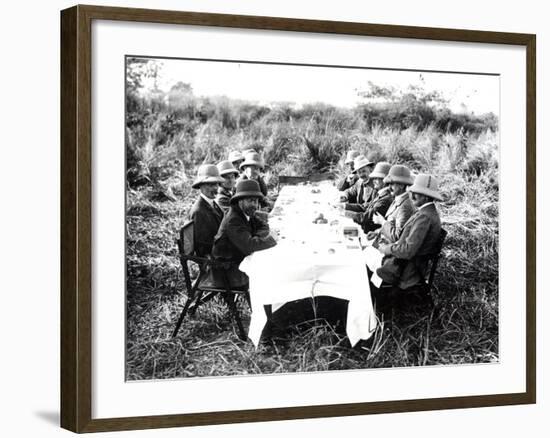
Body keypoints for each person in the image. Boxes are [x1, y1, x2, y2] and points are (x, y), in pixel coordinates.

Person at [376, 174, 443, 290]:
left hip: (406, 271)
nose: (411, 195)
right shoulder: (425, 212)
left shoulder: (425, 217)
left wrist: (386, 249)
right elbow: (405, 238)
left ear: (427, 196)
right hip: (404, 265)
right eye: (412, 191)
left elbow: (408, 251)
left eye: (416, 192)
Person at [212, 180, 278, 286]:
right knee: (270, 270)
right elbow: (249, 246)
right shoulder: (233, 219)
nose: (254, 205)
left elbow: (263, 225)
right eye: (250, 200)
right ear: (240, 201)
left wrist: (257, 238)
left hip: (237, 258)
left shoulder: (246, 211)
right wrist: (271, 239)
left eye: (256, 201)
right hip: (227, 270)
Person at [367, 164, 415, 243]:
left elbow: (397, 236)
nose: (389, 187)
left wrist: (382, 222)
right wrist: (377, 232)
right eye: (388, 184)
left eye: (392, 184)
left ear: (402, 185)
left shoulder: (405, 206)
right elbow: (391, 226)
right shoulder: (398, 199)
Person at [188, 164, 225, 257]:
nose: (215, 188)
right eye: (211, 184)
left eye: (217, 184)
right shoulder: (198, 211)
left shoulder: (214, 204)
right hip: (215, 260)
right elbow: (203, 247)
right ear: (201, 186)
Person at [358, 162, 394, 233]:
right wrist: (345, 207)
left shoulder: (386, 199)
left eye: (377, 178)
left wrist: (344, 212)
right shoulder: (379, 193)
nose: (373, 181)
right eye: (373, 178)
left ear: (385, 181)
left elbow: (367, 217)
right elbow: (366, 206)